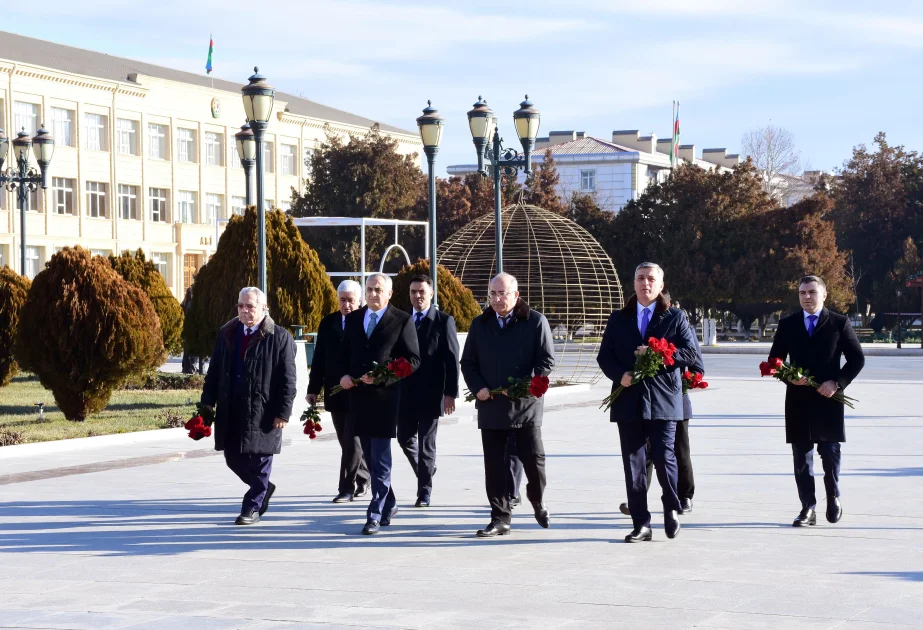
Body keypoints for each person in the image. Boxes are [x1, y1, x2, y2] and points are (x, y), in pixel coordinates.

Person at [597, 263, 699, 543]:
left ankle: (671, 507)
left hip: (664, 401)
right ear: (633, 283)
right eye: (640, 278)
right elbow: (604, 357)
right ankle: (641, 522)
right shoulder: (619, 318)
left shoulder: (674, 317)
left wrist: (659, 352)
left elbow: (690, 354)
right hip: (629, 402)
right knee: (635, 464)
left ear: (661, 285)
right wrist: (621, 375)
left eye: (651, 279)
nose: (645, 284)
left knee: (666, 459)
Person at [461, 272, 555, 538]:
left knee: (534, 463)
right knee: (495, 466)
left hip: (526, 406)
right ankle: (500, 517)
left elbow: (546, 361)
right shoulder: (481, 324)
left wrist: (529, 382)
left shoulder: (535, 321)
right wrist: (478, 387)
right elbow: (468, 362)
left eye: (502, 293)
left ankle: (537, 499)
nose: (497, 299)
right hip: (491, 406)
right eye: (493, 294)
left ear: (516, 294)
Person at [768, 275, 865, 527]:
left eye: (812, 292)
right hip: (798, 399)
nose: (807, 297)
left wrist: (837, 383)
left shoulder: (838, 323)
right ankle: (807, 507)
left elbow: (857, 359)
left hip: (829, 398)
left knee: (830, 453)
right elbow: (775, 361)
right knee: (801, 456)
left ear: (824, 294)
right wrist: (790, 377)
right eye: (802, 293)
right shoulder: (788, 324)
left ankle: (833, 496)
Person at [200, 287, 296, 525]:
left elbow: (288, 379)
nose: (244, 310)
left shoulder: (280, 337)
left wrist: (283, 412)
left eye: (250, 306)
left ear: (264, 308)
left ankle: (252, 507)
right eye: (241, 306)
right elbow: (213, 374)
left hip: (264, 410)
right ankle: (263, 487)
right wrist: (206, 404)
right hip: (232, 409)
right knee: (232, 457)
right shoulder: (228, 333)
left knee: (261, 459)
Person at [337, 273, 421, 535]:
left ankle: (374, 513)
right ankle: (390, 502)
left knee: (381, 456)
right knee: (369, 457)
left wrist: (384, 376)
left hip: (386, 399)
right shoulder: (352, 319)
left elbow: (413, 360)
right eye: (370, 289)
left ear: (389, 293)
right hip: (358, 398)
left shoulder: (402, 320)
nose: (373, 293)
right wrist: (344, 376)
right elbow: (343, 355)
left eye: (378, 289)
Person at [619, 291, 703, 516]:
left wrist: (683, 382)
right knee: (644, 452)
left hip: (675, 399)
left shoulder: (682, 326)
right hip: (644, 399)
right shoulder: (631, 324)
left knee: (678, 450)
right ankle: (637, 499)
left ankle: (684, 496)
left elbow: (697, 367)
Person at [397, 274, 460, 507]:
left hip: (431, 393)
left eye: (422, 292)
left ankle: (424, 492)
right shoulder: (403, 320)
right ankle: (428, 470)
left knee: (426, 444)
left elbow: (452, 360)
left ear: (431, 294)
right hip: (404, 393)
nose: (417, 296)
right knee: (404, 438)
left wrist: (450, 393)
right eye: (413, 292)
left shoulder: (444, 321)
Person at [307, 279, 370, 503]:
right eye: (342, 300)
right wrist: (313, 389)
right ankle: (364, 476)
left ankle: (346, 488)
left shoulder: (367, 321)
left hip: (360, 390)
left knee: (352, 439)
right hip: (335, 390)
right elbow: (320, 358)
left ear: (360, 300)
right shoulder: (329, 323)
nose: (346, 305)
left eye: (350, 300)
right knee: (346, 440)